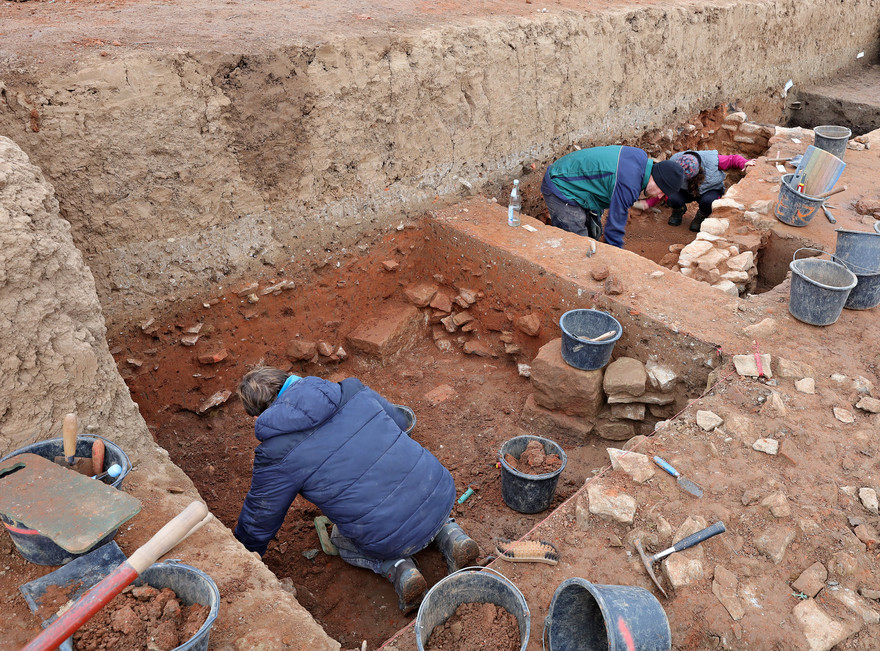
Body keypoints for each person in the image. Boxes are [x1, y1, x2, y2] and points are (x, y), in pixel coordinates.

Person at [233, 366, 479, 614]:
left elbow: (259, 518)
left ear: (258, 416)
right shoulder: (351, 389)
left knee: (340, 538)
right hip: (438, 489)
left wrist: (240, 558)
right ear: (292, 380)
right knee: (410, 494)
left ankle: (398, 567)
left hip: (385, 534)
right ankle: (451, 535)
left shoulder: (275, 453)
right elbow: (401, 421)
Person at [541, 145, 685, 248]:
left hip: (577, 180)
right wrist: (615, 259)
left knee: (593, 235)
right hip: (561, 185)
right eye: (662, 190)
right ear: (658, 179)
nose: (659, 196)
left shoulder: (640, 158)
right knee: (577, 245)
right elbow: (614, 229)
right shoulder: (630, 183)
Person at [636, 150, 755, 232]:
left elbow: (732, 159)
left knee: (709, 201)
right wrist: (649, 203)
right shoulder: (674, 162)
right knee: (672, 198)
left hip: (709, 189)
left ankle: (701, 216)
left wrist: (744, 162)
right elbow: (664, 187)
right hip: (684, 190)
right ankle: (678, 211)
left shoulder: (712, 160)